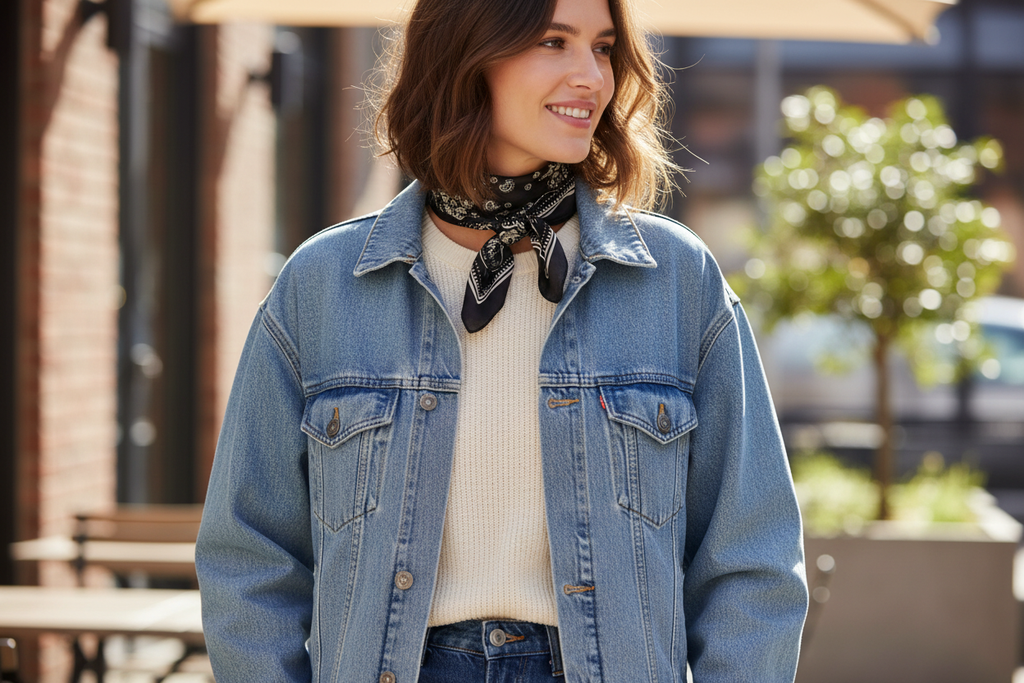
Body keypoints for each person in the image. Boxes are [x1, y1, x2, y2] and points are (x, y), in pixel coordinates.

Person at [195, 0, 809, 679]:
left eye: (603, 48)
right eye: (554, 41)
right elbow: (248, 557)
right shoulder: (323, 284)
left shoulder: (674, 280)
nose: (592, 77)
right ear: (465, 55)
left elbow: (752, 560)